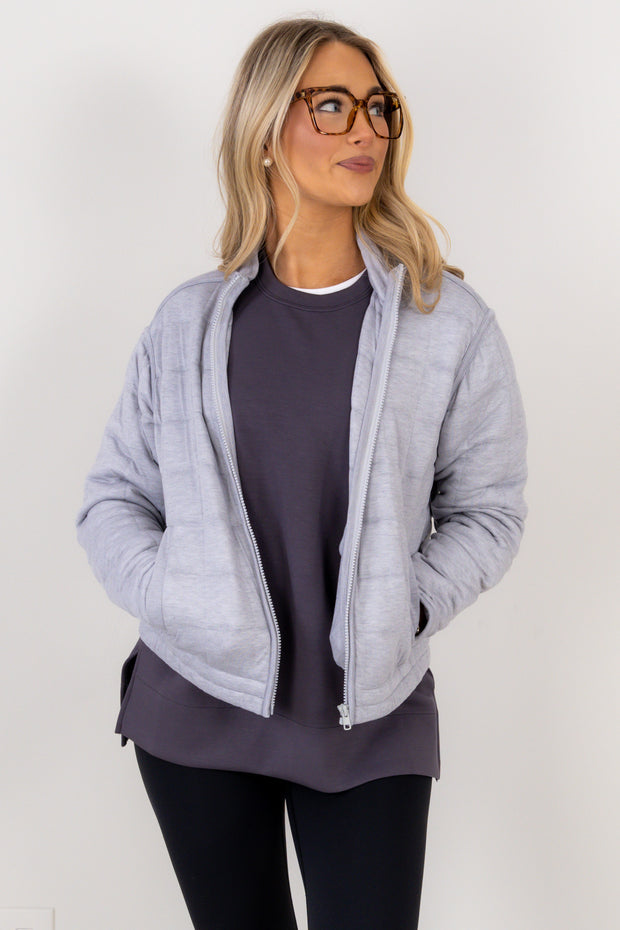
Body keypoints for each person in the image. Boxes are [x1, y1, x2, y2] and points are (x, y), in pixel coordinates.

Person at [75, 15, 528, 930]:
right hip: (196, 708)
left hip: (368, 720)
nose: (365, 129)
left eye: (378, 107)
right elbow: (115, 497)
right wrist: (175, 594)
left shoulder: (448, 324)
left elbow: (489, 511)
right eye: (332, 106)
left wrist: (407, 607)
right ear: (265, 129)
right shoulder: (187, 323)